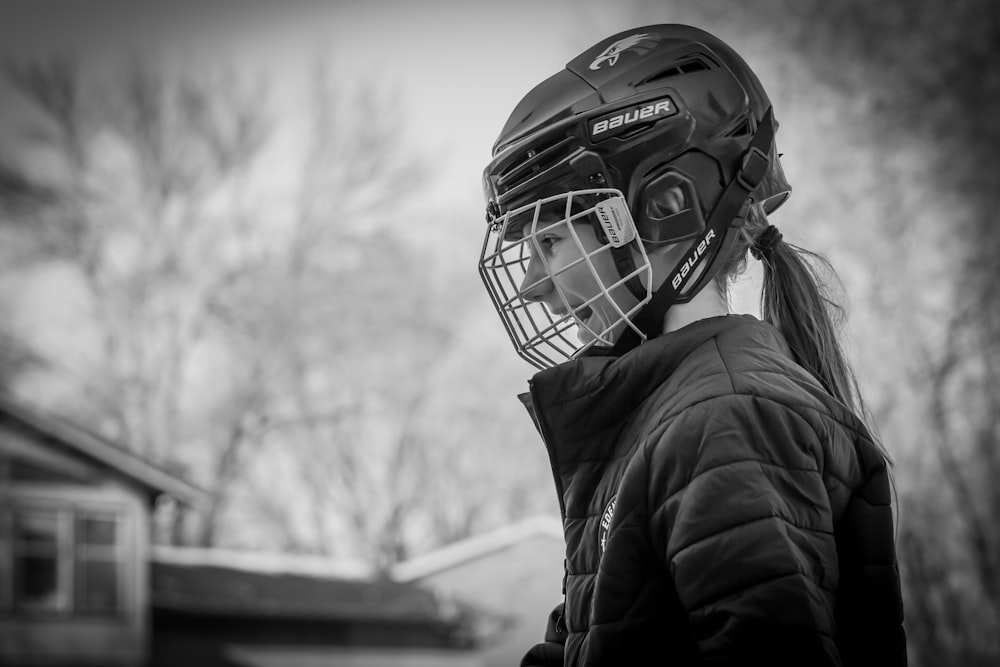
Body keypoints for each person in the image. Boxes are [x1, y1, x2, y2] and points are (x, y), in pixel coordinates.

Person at [477, 24, 907, 667]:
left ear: (667, 207)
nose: (535, 284)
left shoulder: (726, 419)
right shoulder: (663, 416)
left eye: (551, 241)